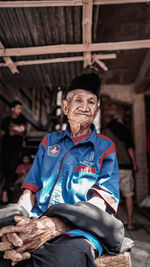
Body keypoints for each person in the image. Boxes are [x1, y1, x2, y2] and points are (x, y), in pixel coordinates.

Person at [0, 73, 123, 267]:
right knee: (5, 237)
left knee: (63, 260)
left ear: (97, 111)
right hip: (35, 217)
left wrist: (56, 225)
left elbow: (100, 202)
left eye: (91, 102)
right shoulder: (49, 141)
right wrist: (23, 222)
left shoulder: (105, 147)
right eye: (78, 100)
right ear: (65, 107)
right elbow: (30, 190)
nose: (85, 106)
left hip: (78, 230)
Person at [102, 113, 138, 230]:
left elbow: (103, 149)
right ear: (120, 119)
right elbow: (130, 149)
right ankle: (131, 223)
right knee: (128, 195)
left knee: (113, 195)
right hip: (126, 166)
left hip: (112, 166)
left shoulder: (106, 131)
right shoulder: (125, 130)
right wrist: (134, 163)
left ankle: (113, 224)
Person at [0, 100, 27, 204]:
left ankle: (5, 192)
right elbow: (2, 134)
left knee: (12, 169)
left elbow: (24, 134)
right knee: (5, 168)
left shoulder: (22, 119)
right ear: (12, 109)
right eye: (18, 108)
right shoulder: (6, 120)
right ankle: (6, 189)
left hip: (16, 149)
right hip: (6, 149)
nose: (20, 110)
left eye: (20, 108)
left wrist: (15, 132)